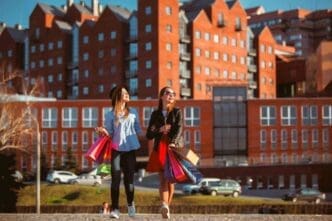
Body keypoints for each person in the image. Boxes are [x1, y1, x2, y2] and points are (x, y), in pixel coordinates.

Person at [95, 85, 142, 219]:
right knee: (115, 179)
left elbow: (138, 129)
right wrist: (103, 132)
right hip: (116, 149)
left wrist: (153, 133)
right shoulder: (110, 114)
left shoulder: (133, 112)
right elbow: (109, 132)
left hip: (131, 149)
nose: (127, 94)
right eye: (124, 93)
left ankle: (130, 204)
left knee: (129, 180)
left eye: (128, 92)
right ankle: (115, 209)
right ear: (117, 96)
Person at [146, 86, 184, 219]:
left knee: (171, 181)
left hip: (173, 148)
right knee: (162, 179)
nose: (171, 95)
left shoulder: (177, 112)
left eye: (173, 94)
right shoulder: (155, 114)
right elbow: (149, 135)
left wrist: (173, 141)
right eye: (168, 93)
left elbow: (179, 129)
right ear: (162, 96)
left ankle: (166, 207)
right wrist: (160, 130)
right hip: (160, 149)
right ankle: (164, 205)